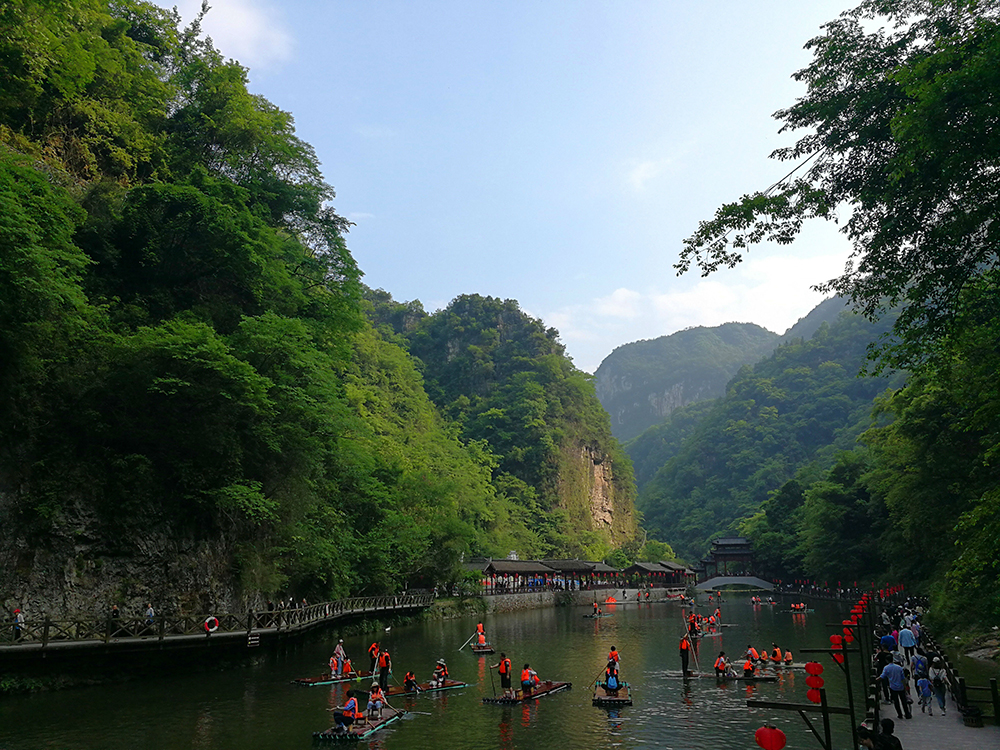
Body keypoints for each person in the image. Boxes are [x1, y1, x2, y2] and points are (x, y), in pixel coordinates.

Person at [878, 653, 912, 720]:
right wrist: (905, 687)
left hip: (893, 687)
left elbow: (882, 676)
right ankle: (907, 714)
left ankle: (900, 714)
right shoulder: (899, 667)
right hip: (901, 686)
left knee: (896, 702)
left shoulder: (886, 668)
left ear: (886, 660)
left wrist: (876, 680)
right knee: (903, 701)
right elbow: (903, 678)